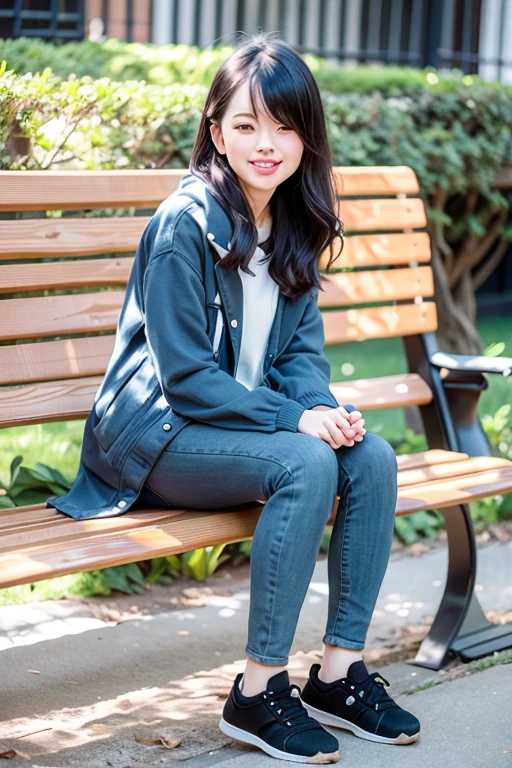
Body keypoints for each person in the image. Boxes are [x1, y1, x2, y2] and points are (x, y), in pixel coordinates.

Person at [47, 31, 420, 764]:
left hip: (231, 433)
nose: (266, 144)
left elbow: (301, 357)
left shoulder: (293, 230)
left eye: (284, 126)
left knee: (368, 458)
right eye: (246, 125)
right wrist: (296, 421)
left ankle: (340, 673)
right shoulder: (182, 227)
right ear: (216, 133)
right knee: (305, 464)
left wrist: (325, 410)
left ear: (306, 140)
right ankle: (256, 693)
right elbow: (185, 377)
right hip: (156, 438)